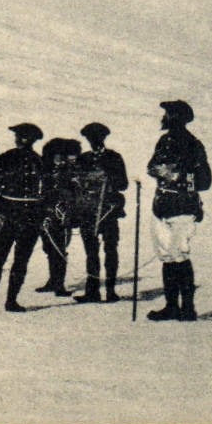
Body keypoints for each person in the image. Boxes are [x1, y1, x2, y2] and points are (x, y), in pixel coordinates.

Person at [146, 99, 211, 322]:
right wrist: (162, 172)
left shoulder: (193, 144)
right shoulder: (163, 141)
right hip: (162, 206)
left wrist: (179, 177)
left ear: (178, 118)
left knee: (179, 255)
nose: (164, 118)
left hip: (183, 206)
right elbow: (151, 166)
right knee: (166, 256)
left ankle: (188, 308)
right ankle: (171, 306)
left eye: (169, 115)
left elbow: (205, 180)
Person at [0, 122, 45, 314]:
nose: (19, 140)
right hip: (7, 216)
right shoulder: (6, 158)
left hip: (31, 218)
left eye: (24, 137)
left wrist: (42, 214)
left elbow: (47, 191)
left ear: (32, 140)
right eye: (18, 136)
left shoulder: (40, 161)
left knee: (21, 261)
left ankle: (11, 301)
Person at [73, 122, 128, 302]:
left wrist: (108, 179)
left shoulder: (114, 158)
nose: (93, 142)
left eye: (97, 138)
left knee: (110, 249)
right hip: (88, 211)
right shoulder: (83, 159)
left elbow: (124, 184)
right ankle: (93, 291)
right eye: (90, 139)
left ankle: (111, 291)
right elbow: (75, 183)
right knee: (91, 251)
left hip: (108, 211)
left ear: (104, 138)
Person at [36, 137, 82, 298]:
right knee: (49, 247)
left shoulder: (70, 172)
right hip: (44, 213)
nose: (59, 159)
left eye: (62, 155)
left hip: (61, 214)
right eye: (56, 155)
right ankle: (52, 280)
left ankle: (59, 284)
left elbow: (75, 193)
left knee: (59, 248)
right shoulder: (45, 170)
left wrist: (69, 211)